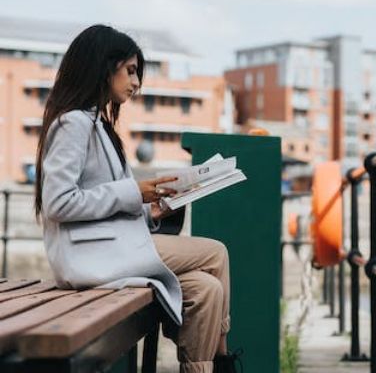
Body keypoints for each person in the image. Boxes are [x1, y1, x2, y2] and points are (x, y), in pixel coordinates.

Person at [34, 24, 239, 373]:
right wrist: (135, 192)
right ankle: (224, 361)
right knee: (216, 252)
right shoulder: (73, 124)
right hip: (91, 256)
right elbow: (59, 202)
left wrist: (151, 210)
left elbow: (112, 204)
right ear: (104, 67)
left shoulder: (98, 126)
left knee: (207, 289)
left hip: (110, 248)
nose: (136, 82)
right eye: (130, 71)